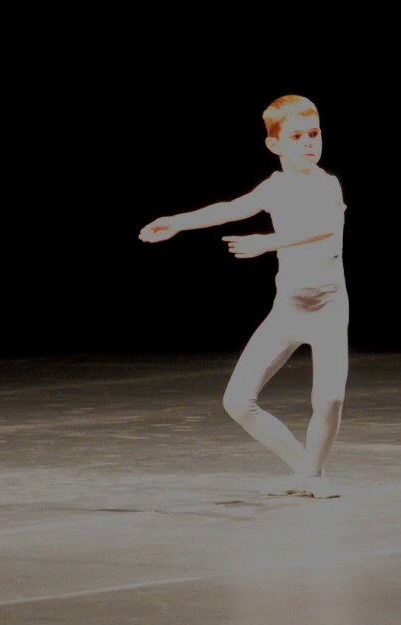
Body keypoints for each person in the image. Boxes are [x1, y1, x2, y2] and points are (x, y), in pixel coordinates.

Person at [138, 95, 349, 499]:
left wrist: (268, 242)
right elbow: (230, 209)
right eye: (297, 136)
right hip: (288, 310)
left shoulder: (327, 184)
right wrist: (177, 223)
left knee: (330, 398)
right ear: (275, 144)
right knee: (237, 400)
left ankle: (314, 475)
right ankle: (306, 470)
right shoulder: (275, 187)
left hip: (328, 309)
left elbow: (325, 227)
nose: (309, 142)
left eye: (314, 133)